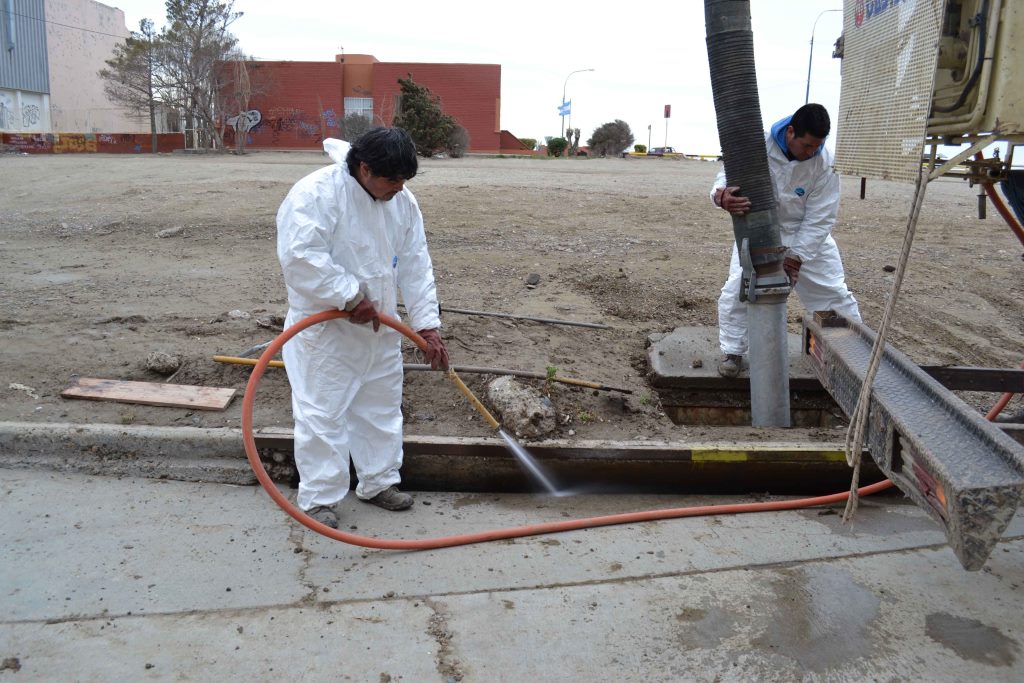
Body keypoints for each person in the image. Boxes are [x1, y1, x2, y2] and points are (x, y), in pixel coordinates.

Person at [276, 127, 449, 529]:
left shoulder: (401, 201)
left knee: (381, 410)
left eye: (406, 180)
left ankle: (378, 482)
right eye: (393, 180)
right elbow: (300, 257)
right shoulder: (315, 195)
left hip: (380, 331)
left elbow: (415, 263)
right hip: (326, 334)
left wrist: (427, 326)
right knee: (323, 415)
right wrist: (349, 295)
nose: (400, 188)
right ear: (365, 167)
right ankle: (320, 498)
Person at [710, 103, 861, 378]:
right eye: (806, 145)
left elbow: (821, 216)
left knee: (833, 293)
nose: (812, 152)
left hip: (807, 234)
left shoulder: (824, 161)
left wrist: (796, 257)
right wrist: (720, 196)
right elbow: (724, 179)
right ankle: (733, 352)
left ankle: (852, 354)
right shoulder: (757, 147)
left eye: (818, 146)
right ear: (790, 131)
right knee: (738, 290)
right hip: (759, 230)